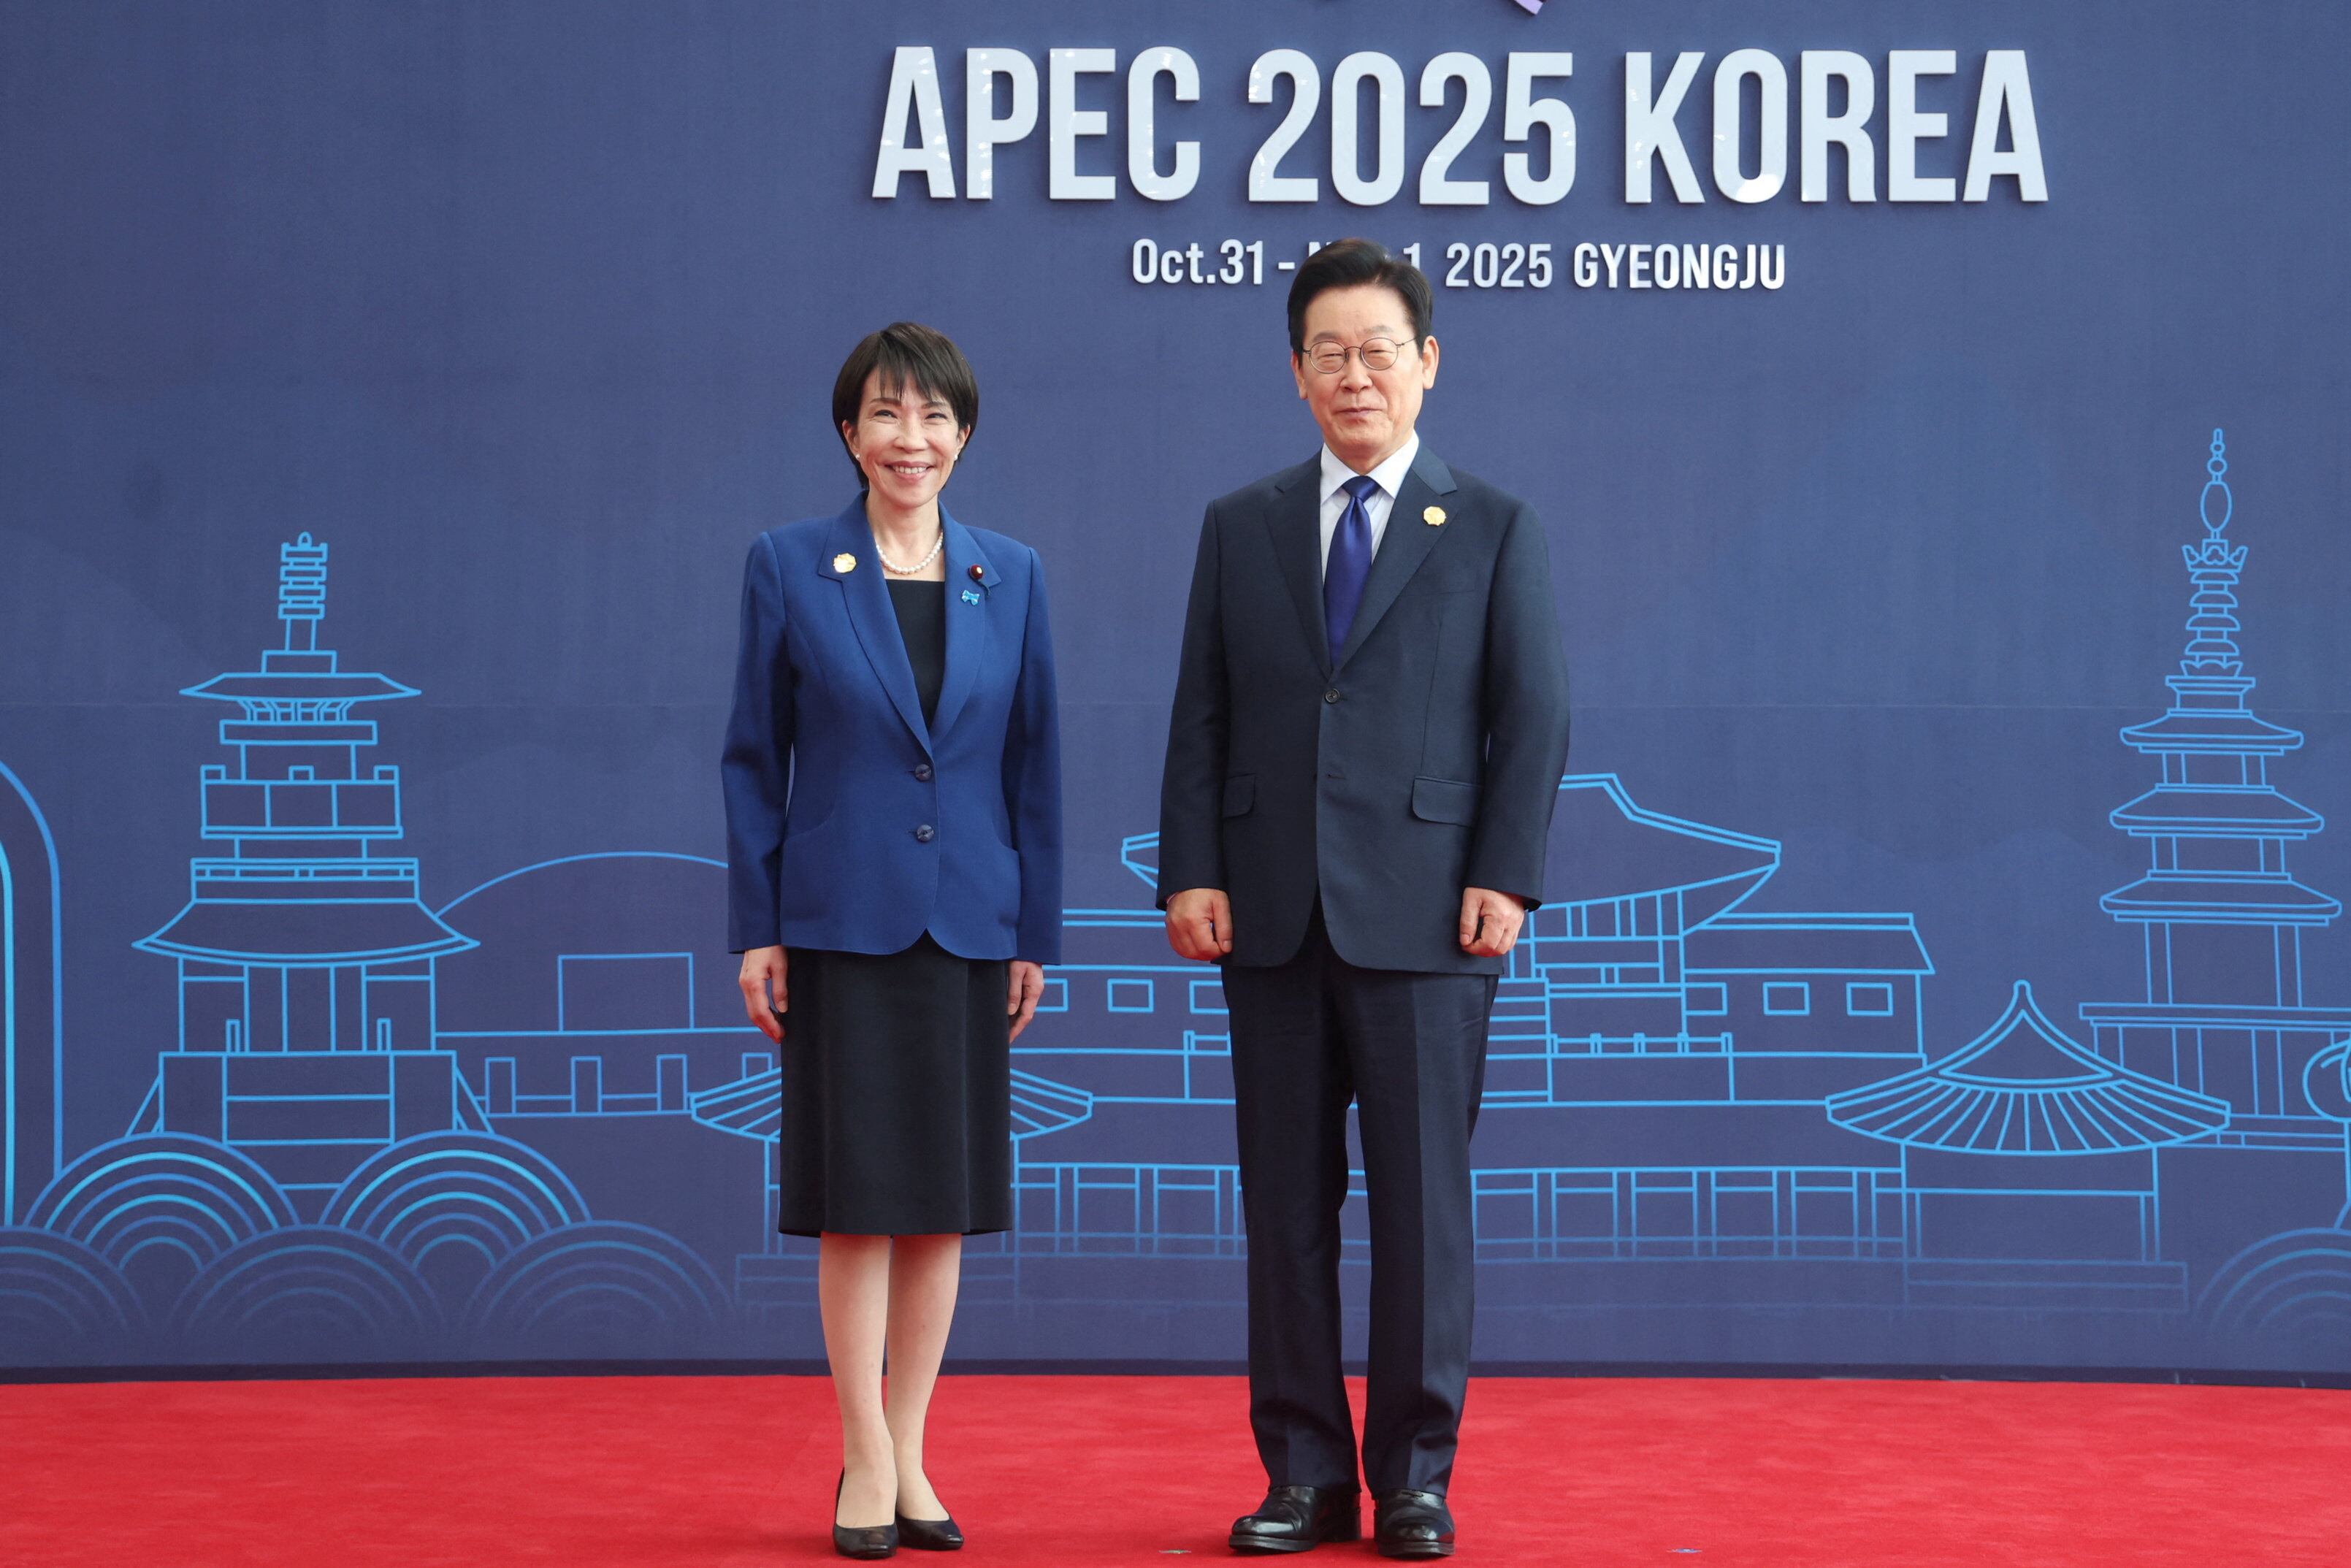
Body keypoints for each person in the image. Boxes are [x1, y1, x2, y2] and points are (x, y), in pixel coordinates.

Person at [1157, 239, 1572, 1559]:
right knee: (1284, 1207)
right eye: (1328, 352)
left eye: (1379, 349)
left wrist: (1504, 872)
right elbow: (1200, 715)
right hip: (1271, 915)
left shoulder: (1494, 525)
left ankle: (1415, 1478)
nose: (1355, 375)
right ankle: (1301, 1472)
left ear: (1427, 364)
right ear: (1295, 372)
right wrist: (1192, 867)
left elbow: (1536, 714)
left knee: (1421, 1214)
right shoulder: (1242, 526)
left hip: (1430, 918)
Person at [723, 321, 1060, 1560]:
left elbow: (1034, 761)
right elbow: (755, 760)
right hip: (840, 921)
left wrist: (1036, 928)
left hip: (970, 921)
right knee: (857, 1204)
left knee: (940, 1207)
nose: (908, 440)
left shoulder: (1010, 572)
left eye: (932, 419)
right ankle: (863, 1455)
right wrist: (757, 929)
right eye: (884, 415)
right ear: (848, 433)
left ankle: (913, 1449)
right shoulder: (790, 564)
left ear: (963, 435)